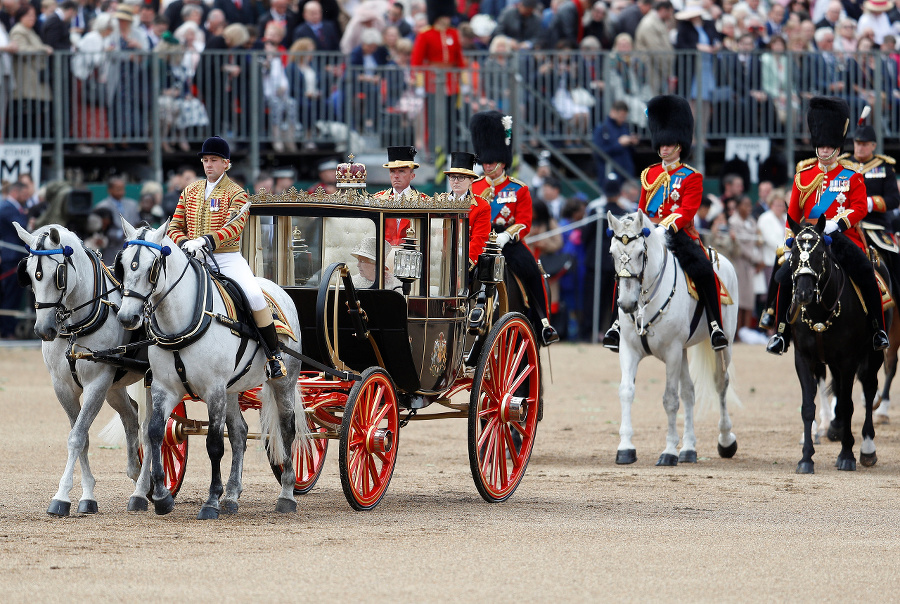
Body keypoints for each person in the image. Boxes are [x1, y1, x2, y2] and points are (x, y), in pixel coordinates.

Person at [603, 95, 729, 351]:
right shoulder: (649, 173)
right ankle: (617, 324)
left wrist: (666, 227)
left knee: (704, 270)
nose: (664, 149)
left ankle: (715, 326)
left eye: (669, 144)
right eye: (661, 144)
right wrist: (637, 229)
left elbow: (687, 210)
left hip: (679, 233)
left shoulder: (691, 176)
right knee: (625, 266)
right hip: (648, 232)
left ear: (680, 146)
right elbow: (641, 208)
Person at [764, 97, 889, 355]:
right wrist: (790, 242)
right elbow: (793, 213)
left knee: (867, 273)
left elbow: (859, 207)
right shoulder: (803, 176)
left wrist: (838, 224)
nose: (822, 151)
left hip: (843, 238)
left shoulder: (852, 176)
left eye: (828, 146)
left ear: (837, 148)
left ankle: (878, 329)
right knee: (783, 274)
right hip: (809, 241)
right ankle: (781, 332)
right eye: (820, 146)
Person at [168, 136, 286, 379]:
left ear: (226, 164)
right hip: (191, 256)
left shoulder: (236, 193)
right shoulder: (189, 191)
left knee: (254, 295)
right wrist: (184, 242)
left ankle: (274, 355)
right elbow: (174, 225)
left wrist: (206, 240)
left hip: (225, 258)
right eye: (205, 160)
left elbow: (234, 226)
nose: (208, 165)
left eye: (214, 160)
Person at [469, 110, 559, 345]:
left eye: (491, 162)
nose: (487, 166)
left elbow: (525, 222)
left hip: (507, 244)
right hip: (478, 241)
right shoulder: (474, 187)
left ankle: (543, 325)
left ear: (502, 161)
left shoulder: (519, 189)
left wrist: (507, 236)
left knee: (532, 273)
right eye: (485, 162)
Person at [845, 116, 900, 304]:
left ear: (873, 145)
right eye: (857, 143)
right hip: (847, 225)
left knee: (895, 258)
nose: (860, 147)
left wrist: (870, 203)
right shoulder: (843, 166)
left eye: (865, 144)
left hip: (876, 227)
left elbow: (894, 200)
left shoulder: (884, 167)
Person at [374, 146, 428, 245]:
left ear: (412, 176)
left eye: (401, 171)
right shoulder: (377, 199)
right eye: (392, 171)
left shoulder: (424, 201)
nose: (396, 176)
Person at [444, 150, 488, 269]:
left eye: (461, 177)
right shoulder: (439, 201)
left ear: (471, 180)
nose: (456, 181)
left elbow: (479, 239)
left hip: (464, 260)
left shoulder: (482, 206)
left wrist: (464, 263)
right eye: (453, 177)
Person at [0, 181, 29, 339]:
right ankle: (7, 331)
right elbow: (22, 227)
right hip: (12, 259)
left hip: (15, 257)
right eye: (24, 194)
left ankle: (8, 329)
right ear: (16, 192)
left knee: (14, 296)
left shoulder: (13, 208)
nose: (26, 197)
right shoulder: (7, 209)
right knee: (10, 296)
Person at [593, 100, 638, 190]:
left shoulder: (624, 128)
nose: (623, 119)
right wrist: (619, 144)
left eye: (624, 116)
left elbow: (630, 152)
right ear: (613, 112)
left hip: (626, 175)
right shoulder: (602, 128)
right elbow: (598, 153)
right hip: (609, 176)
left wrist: (632, 142)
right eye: (621, 116)